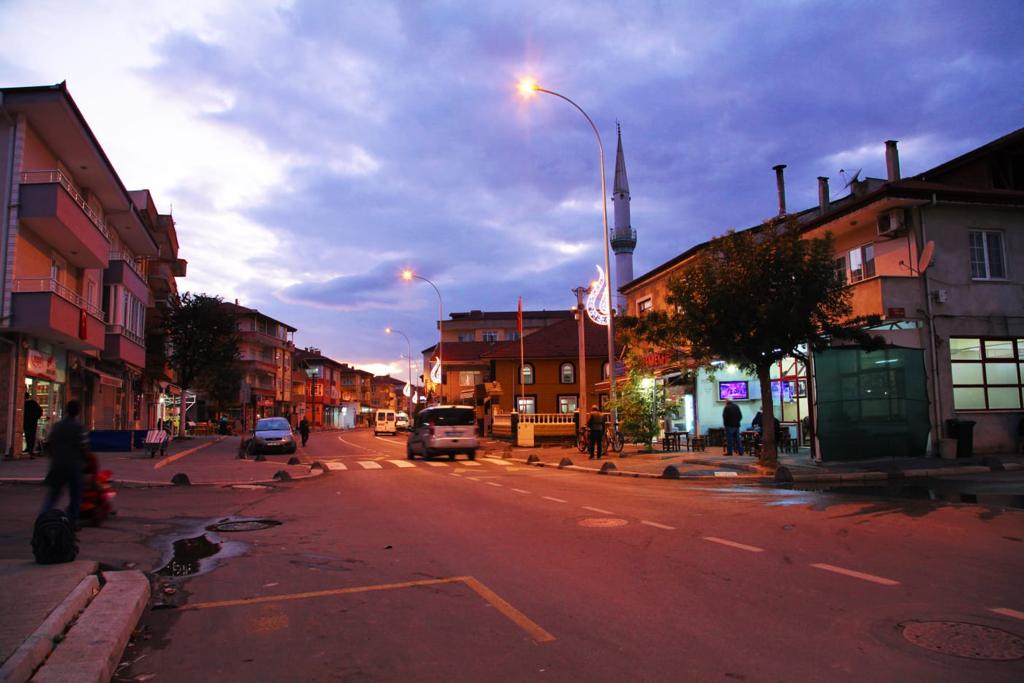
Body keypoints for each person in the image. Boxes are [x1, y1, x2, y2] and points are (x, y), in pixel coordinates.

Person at [40, 400, 89, 529]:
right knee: (76, 495)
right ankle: (72, 521)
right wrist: (85, 462)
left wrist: (54, 457)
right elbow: (84, 447)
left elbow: (48, 444)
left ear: (66, 410)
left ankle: (42, 519)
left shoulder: (57, 426)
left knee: (53, 495)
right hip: (74, 466)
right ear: (78, 412)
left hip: (58, 465)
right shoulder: (79, 428)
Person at [24, 392, 43, 456]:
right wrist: (36, 417)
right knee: (32, 435)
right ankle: (30, 449)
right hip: (33, 422)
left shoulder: (25, 404)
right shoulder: (33, 403)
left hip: (26, 422)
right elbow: (40, 410)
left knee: (27, 435)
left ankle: (29, 448)